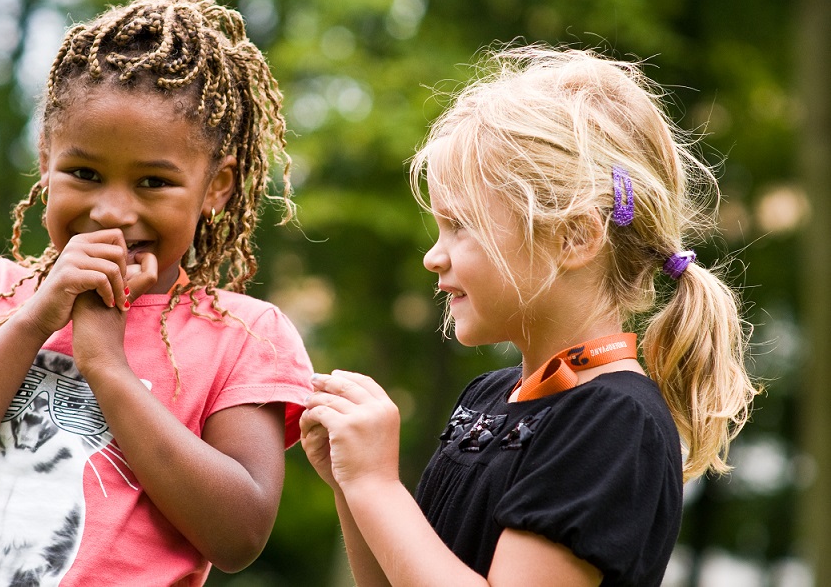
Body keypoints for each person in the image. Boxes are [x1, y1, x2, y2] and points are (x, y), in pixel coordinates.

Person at [0, 0, 313, 586]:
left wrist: (106, 366)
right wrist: (34, 321)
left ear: (216, 188)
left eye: (154, 183)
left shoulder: (243, 335)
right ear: (45, 160)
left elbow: (238, 534)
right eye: (84, 173)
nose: (112, 212)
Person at [300, 45, 758, 587]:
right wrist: (353, 488)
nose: (433, 255)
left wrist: (379, 485)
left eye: (462, 224)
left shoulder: (615, 422)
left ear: (575, 237)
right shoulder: (486, 398)